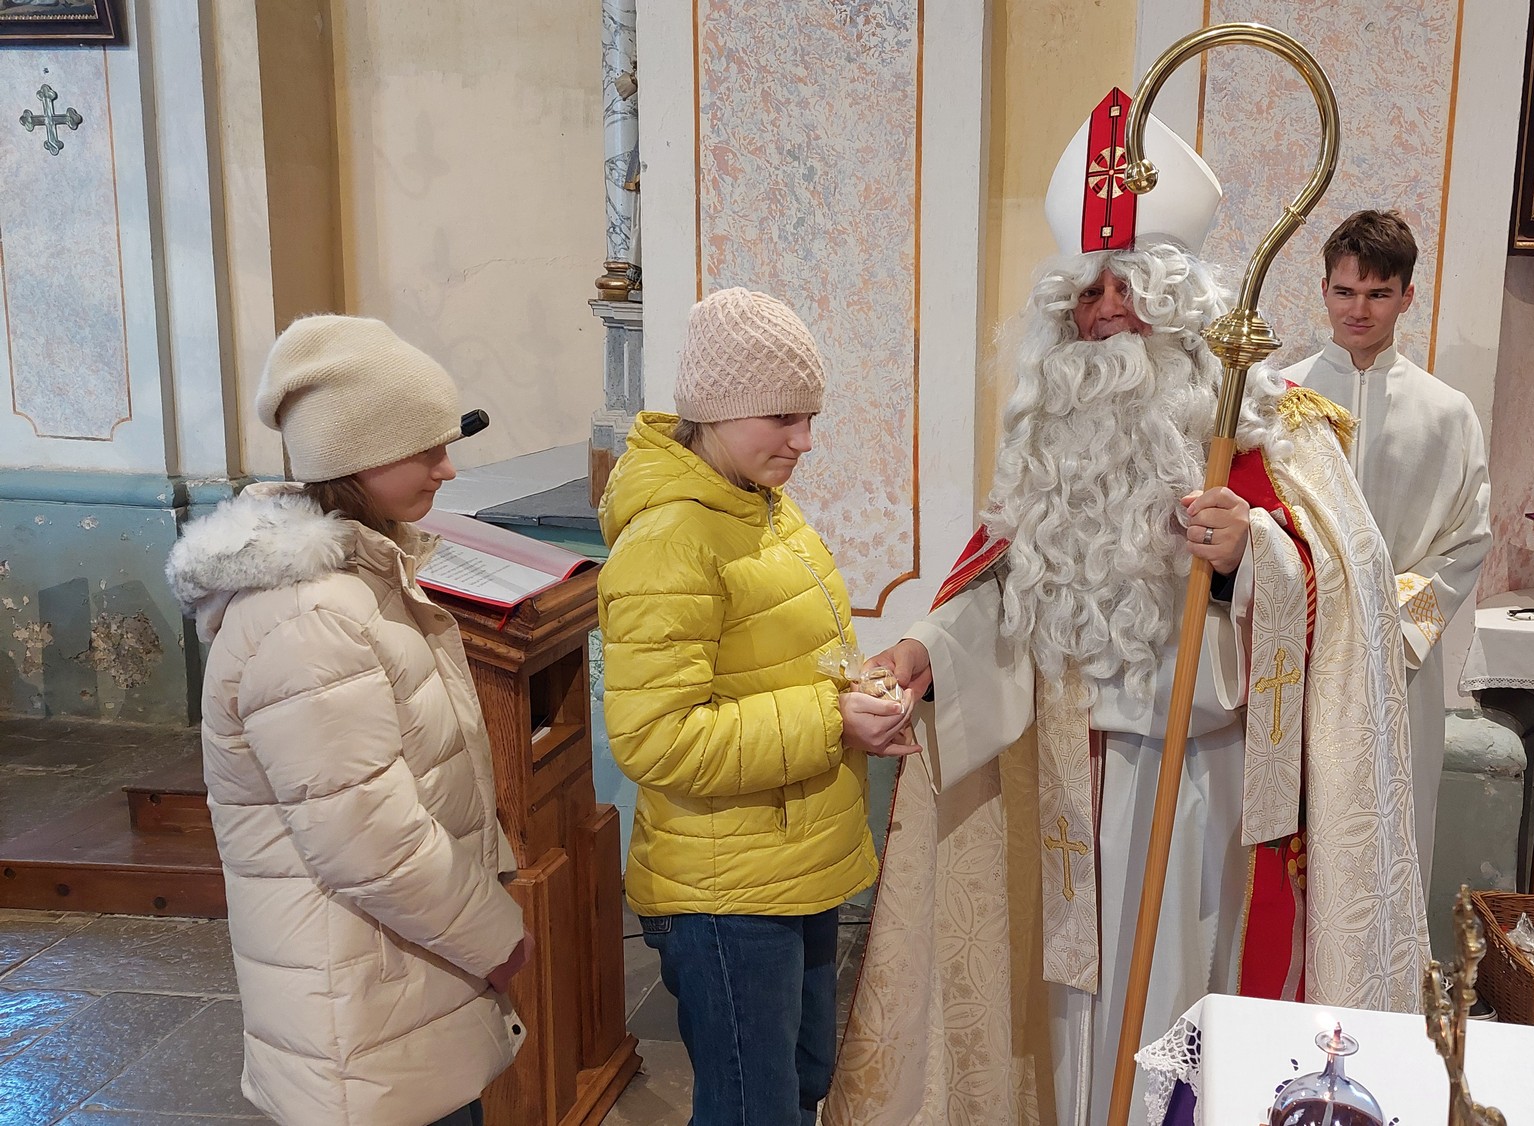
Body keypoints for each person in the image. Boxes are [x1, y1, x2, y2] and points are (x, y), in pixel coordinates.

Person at [827, 91, 1430, 1126]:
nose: (1104, 310)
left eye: (1128, 288)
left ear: (1179, 304)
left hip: (1204, 792)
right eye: (1085, 292)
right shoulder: (1052, 438)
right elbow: (1006, 577)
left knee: (1183, 1014)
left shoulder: (1270, 425)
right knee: (1076, 1026)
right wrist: (927, 647)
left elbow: (1352, 583)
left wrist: (1252, 557)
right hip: (1075, 779)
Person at [165, 315, 532, 1126]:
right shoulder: (308, 617)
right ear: (354, 458)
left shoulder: (357, 581)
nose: (447, 467)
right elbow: (369, 839)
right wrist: (494, 934)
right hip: (359, 1006)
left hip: (393, 978)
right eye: (425, 449)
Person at [596, 288, 915, 1126]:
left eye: (810, 417)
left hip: (789, 863)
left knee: (801, 1080)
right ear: (715, 409)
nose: (804, 440)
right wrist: (832, 719)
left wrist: (859, 692)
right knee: (751, 1107)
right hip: (725, 894)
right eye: (782, 417)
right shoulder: (671, 541)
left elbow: (776, 663)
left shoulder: (761, 507)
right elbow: (656, 739)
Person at [1280, 210, 1494, 886]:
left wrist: (1386, 625)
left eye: (1378, 294)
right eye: (1345, 292)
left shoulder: (1445, 412)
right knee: (1292, 838)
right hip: (1299, 649)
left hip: (1396, 659)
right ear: (1323, 290)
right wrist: (1309, 613)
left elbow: (1465, 540)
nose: (1359, 310)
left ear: (1407, 296)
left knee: (1388, 838)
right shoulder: (1279, 400)